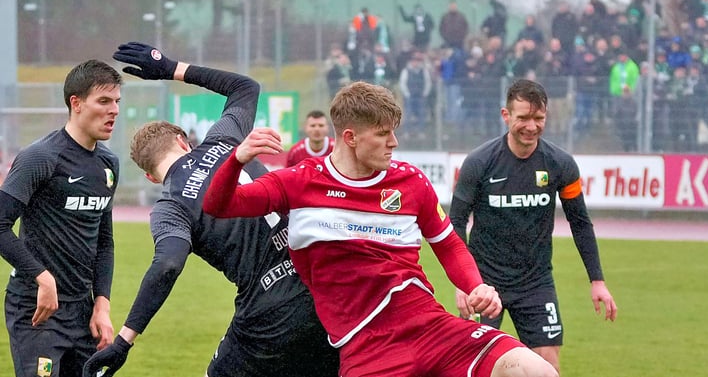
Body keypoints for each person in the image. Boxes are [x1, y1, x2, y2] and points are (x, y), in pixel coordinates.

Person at [200, 81, 557, 377]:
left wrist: (474, 285)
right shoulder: (298, 184)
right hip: (367, 348)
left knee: (536, 371)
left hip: (431, 328)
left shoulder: (411, 182)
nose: (394, 143)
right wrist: (237, 159)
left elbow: (449, 245)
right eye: (383, 133)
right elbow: (218, 205)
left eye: (394, 133)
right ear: (351, 137)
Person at [82, 43, 337, 377]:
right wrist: (170, 68)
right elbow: (246, 87)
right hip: (324, 290)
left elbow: (169, 264)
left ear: (150, 175)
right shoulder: (222, 140)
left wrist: (124, 341)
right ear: (184, 141)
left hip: (268, 312)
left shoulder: (170, 206)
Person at [450, 78, 618, 373]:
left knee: (546, 365)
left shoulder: (560, 164)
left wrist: (598, 281)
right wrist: (464, 283)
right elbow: (456, 222)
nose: (531, 126)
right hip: (484, 283)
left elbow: (580, 222)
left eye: (538, 118)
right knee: (476, 365)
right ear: (506, 116)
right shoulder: (479, 163)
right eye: (523, 118)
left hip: (535, 283)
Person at [0, 60, 122, 377]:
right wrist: (43, 277)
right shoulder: (40, 157)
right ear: (76, 103)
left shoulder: (109, 165)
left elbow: (104, 242)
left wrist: (102, 305)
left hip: (84, 313)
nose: (114, 111)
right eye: (104, 101)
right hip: (37, 310)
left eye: (117, 102)